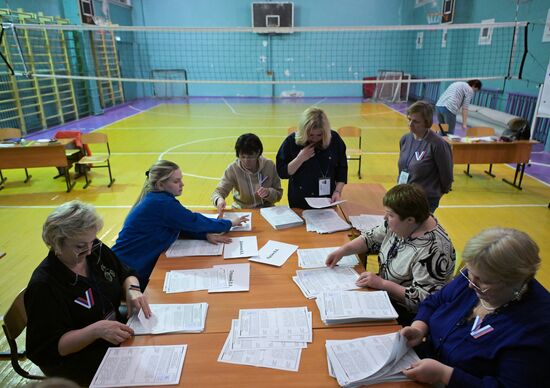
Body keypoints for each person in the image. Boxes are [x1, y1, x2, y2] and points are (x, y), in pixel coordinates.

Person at [401, 228, 550, 387]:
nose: (471, 285)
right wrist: (419, 329)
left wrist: (445, 375)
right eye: (469, 274)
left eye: (483, 281)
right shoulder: (475, 276)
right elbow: (435, 301)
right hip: (422, 366)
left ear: (514, 281)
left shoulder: (537, 327)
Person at [24, 201, 151, 386]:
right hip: (83, 358)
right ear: (57, 243)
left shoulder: (94, 250)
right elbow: (47, 348)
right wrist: (96, 330)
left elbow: (125, 272)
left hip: (114, 336)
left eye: (92, 241)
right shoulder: (44, 285)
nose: (89, 250)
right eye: (80, 246)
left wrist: (133, 290)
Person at [326, 184, 455, 325]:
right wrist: (343, 250)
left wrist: (382, 284)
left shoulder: (434, 250)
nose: (385, 218)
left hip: (407, 316)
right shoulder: (403, 223)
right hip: (383, 295)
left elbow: (423, 300)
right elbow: (371, 238)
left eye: (390, 215)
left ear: (410, 220)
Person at [112, 160, 247, 287]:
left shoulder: (156, 199)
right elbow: (194, 221)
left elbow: (178, 225)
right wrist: (228, 223)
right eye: (176, 181)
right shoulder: (162, 204)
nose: (182, 184)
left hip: (128, 266)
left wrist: (204, 235)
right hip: (126, 273)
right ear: (160, 185)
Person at [276, 107, 348, 209]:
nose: (315, 138)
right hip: (300, 201)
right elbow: (282, 172)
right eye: (310, 135)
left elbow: (342, 169)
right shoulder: (292, 141)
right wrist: (300, 159)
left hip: (327, 200)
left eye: (319, 135)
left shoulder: (334, 140)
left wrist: (337, 192)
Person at [398, 101, 453, 213]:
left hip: (424, 201)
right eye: (409, 120)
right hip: (404, 197)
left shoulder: (438, 145)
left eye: (416, 121)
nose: (410, 124)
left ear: (427, 122)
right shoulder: (405, 139)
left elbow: (447, 177)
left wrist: (436, 196)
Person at [212, 133, 283, 212]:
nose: (246, 161)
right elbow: (218, 192)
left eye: (250, 157)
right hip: (242, 210)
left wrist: (269, 193)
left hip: (266, 210)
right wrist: (219, 200)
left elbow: (279, 195)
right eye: (242, 156)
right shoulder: (233, 169)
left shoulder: (269, 165)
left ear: (258, 153)